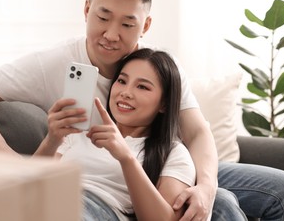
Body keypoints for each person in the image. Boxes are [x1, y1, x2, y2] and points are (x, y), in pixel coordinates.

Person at [0, 0, 284, 221]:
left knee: (264, 194)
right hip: (93, 174)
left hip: (158, 160)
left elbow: (198, 131)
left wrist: (206, 186)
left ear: (145, 26)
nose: (111, 35)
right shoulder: (58, 65)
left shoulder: (158, 67)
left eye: (128, 24)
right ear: (87, 10)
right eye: (103, 17)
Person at [35, 48, 196, 220]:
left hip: (97, 210)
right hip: (51, 202)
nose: (125, 93)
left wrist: (126, 158)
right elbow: (28, 186)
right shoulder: (76, 135)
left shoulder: (174, 152)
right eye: (122, 81)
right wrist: (51, 141)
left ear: (164, 103)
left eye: (142, 86)